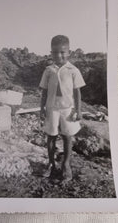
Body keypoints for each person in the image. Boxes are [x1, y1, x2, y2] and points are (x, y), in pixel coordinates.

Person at [39, 35, 85, 181]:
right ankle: (51, 163)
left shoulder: (73, 70)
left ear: (69, 52)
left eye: (62, 52)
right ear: (51, 52)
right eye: (55, 52)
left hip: (67, 109)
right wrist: (42, 108)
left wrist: (78, 110)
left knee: (67, 136)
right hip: (52, 108)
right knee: (51, 136)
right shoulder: (48, 70)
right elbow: (44, 91)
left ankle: (66, 164)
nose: (59, 55)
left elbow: (77, 92)